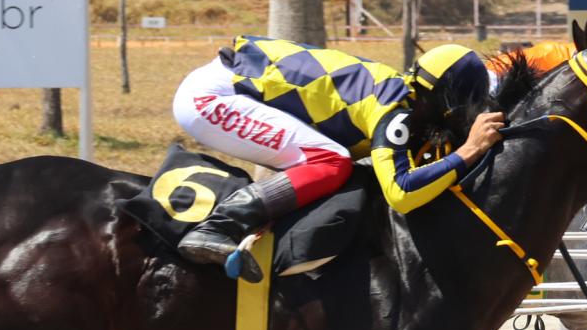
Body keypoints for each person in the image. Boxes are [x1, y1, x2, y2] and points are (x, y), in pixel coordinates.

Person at [171, 36, 502, 280]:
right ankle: (217, 228)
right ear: (446, 100)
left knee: (334, 165)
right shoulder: (393, 112)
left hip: (226, 85)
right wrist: (468, 150)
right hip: (213, 97)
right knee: (332, 162)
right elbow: (401, 194)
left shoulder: (401, 95)